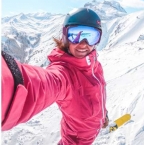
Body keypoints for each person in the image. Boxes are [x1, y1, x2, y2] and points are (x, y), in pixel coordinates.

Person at [1, 8, 109, 145]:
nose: (83, 44)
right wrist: (7, 84)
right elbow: (41, 85)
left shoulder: (94, 65)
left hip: (90, 135)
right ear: (65, 36)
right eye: (75, 35)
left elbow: (98, 93)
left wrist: (103, 115)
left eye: (91, 37)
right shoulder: (63, 74)